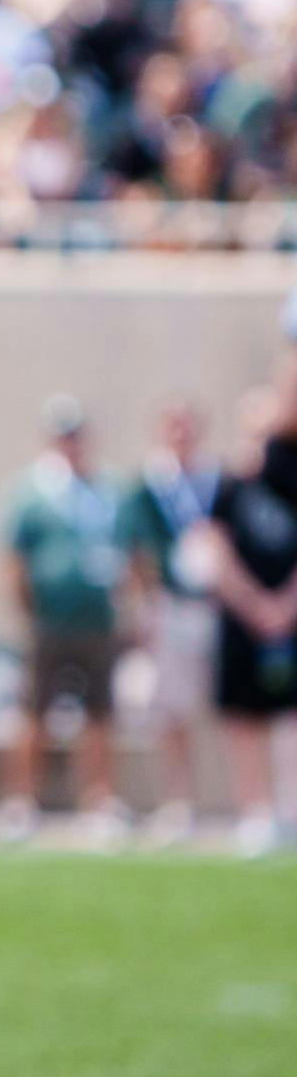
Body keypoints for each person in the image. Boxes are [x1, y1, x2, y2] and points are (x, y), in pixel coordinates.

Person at [0, 394, 130, 846]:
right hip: (48, 623)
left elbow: (130, 553)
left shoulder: (107, 490)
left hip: (97, 620)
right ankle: (21, 802)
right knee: (33, 713)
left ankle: (98, 801)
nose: (70, 444)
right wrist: (25, 612)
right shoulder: (30, 492)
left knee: (100, 715)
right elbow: (11, 558)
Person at [203, 366, 297, 856]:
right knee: (244, 714)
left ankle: (291, 811)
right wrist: (255, 604)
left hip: (289, 617)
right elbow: (215, 548)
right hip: (244, 619)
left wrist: (286, 604)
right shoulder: (230, 481)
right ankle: (255, 812)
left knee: (289, 716)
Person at [118, 395, 220, 847]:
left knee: (223, 704)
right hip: (167, 605)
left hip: (214, 604)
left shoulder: (217, 481)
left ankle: (235, 799)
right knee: (170, 709)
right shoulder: (146, 487)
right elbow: (133, 553)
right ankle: (179, 801)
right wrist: (142, 609)